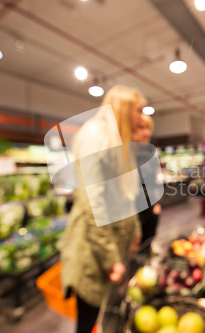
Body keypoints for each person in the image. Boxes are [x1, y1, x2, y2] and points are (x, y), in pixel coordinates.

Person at [60, 85, 145, 333]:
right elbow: (91, 204)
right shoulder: (96, 137)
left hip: (112, 249)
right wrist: (110, 258)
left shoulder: (117, 139)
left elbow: (126, 196)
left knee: (107, 317)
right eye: (138, 110)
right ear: (124, 109)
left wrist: (135, 231)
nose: (142, 117)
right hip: (93, 254)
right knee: (89, 320)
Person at [133, 114, 162, 248]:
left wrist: (157, 203)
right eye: (142, 127)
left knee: (148, 241)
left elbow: (155, 180)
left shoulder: (150, 152)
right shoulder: (126, 154)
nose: (147, 132)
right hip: (133, 209)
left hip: (150, 206)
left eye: (148, 128)